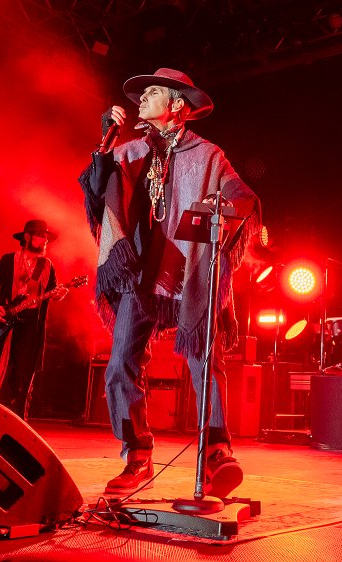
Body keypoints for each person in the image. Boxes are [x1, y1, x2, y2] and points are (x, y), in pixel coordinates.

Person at [79, 68, 261, 496]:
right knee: (121, 363)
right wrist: (103, 147)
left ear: (177, 105)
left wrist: (221, 204)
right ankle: (137, 456)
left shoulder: (209, 155)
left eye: (153, 92)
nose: (142, 98)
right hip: (140, 273)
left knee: (205, 359)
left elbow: (242, 195)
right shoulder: (129, 150)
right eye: (141, 93)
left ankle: (217, 453)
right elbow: (94, 191)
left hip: (189, 273)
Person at [0, 219, 67, 419]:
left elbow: (52, 292)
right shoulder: (8, 260)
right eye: (40, 236)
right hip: (6, 319)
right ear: (27, 237)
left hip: (31, 325)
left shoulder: (47, 266)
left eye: (46, 237)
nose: (44, 240)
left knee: (24, 371)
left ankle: (17, 416)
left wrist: (60, 293)